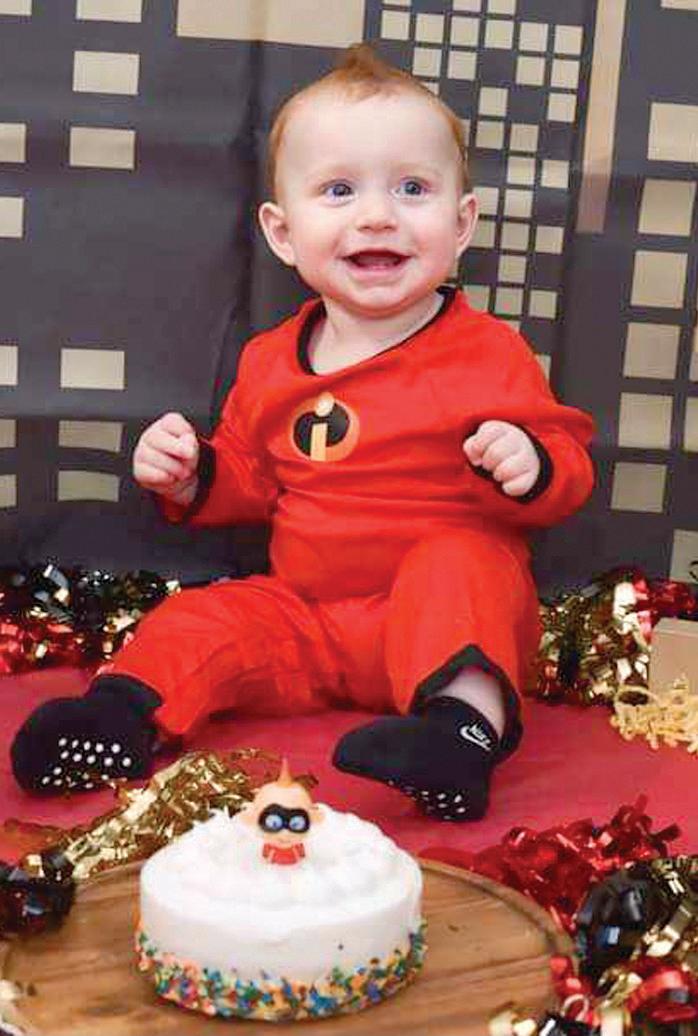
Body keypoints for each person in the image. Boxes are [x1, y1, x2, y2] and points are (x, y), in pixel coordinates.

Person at [11, 44, 594, 821]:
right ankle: (119, 717)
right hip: (309, 617)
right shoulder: (271, 360)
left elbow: (568, 468)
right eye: (339, 190)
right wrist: (193, 476)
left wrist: (531, 464)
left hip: (432, 618)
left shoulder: (489, 352)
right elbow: (251, 479)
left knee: (463, 564)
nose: (377, 215)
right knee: (205, 617)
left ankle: (458, 733)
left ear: (461, 225)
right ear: (283, 233)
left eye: (412, 188)